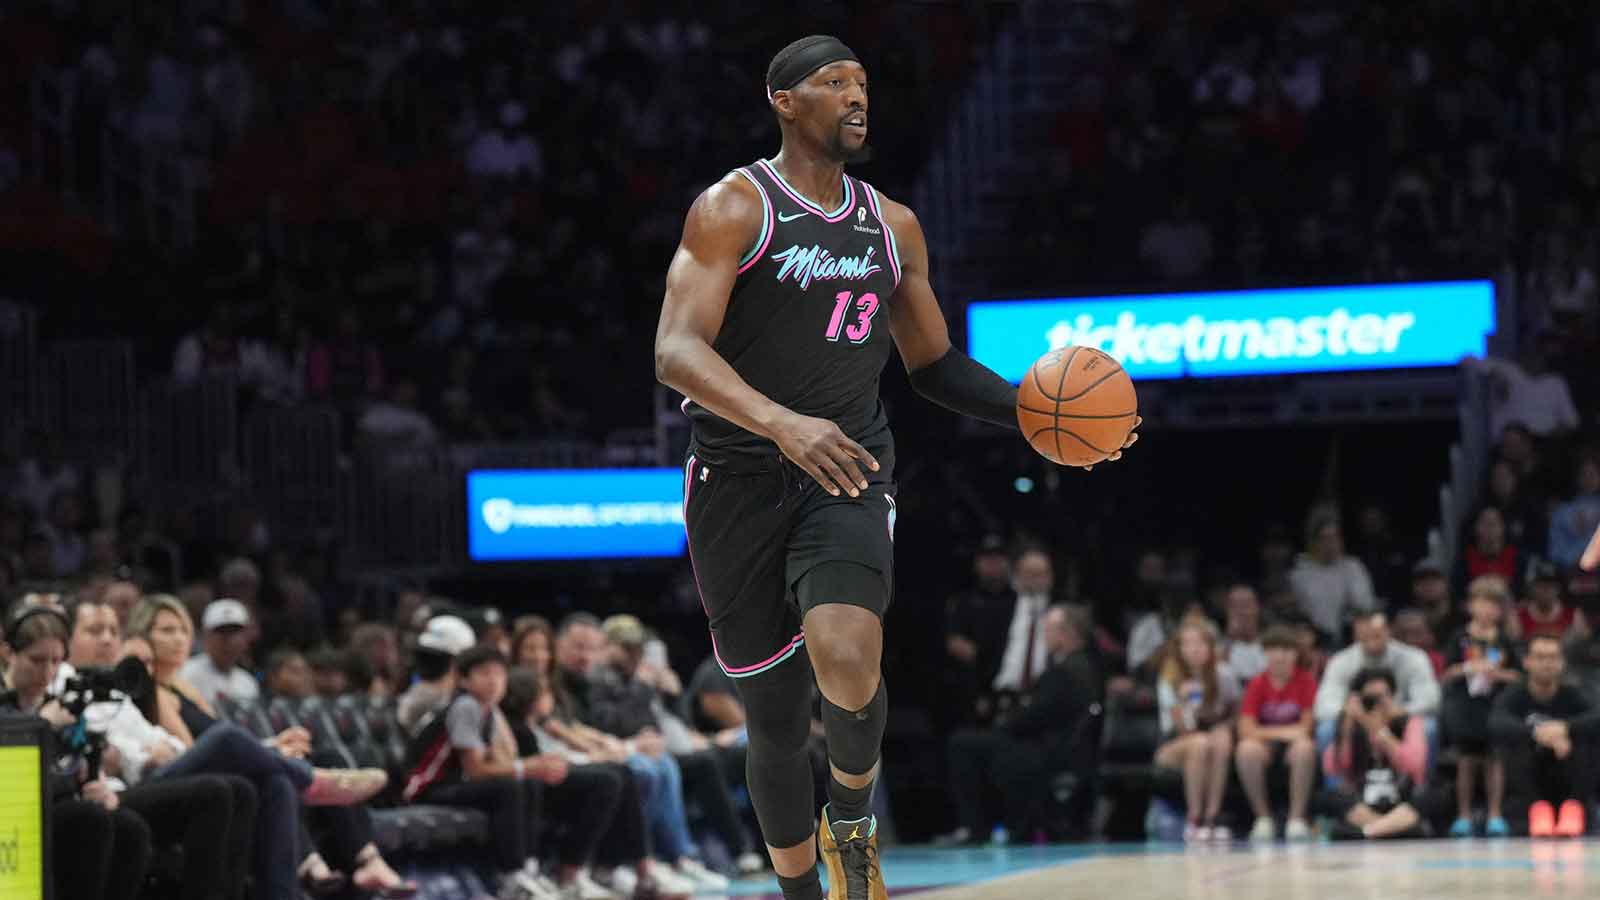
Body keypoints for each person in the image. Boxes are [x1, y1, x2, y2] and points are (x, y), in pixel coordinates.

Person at [653, 34, 1140, 900]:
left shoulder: (892, 224)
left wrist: (1033, 412)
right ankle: (802, 891)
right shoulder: (732, 207)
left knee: (847, 653)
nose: (855, 95)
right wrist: (778, 424)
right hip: (734, 478)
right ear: (784, 100)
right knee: (773, 720)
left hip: (846, 463)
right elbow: (675, 351)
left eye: (864, 82)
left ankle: (853, 822)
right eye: (833, 82)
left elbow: (932, 364)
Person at [61, 596, 258, 900]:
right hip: (113, 790)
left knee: (242, 790)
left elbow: (158, 738)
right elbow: (108, 748)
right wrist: (142, 755)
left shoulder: (112, 686)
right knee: (215, 784)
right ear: (67, 639)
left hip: (144, 780)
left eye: (114, 631)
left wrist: (156, 749)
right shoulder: (62, 682)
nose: (107, 639)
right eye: (95, 631)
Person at [401, 645, 585, 900]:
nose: (494, 681)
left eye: (500, 674)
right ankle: (509, 878)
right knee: (509, 786)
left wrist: (532, 768)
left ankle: (528, 870)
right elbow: (476, 770)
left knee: (528, 782)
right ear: (464, 679)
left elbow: (501, 761)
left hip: (453, 782)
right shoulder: (466, 706)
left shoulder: (487, 710)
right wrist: (527, 766)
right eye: (485, 674)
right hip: (425, 788)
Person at [2, 603, 153, 900]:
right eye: (37, 660)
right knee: (87, 819)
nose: (47, 672)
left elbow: (79, 765)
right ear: (9, 653)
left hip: (60, 803)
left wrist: (99, 788)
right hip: (15, 810)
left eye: (56, 662)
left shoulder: (61, 703)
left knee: (130, 826)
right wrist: (43, 725)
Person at [939, 605, 1102, 845]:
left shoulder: (1065, 672)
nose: (1045, 636)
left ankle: (973, 827)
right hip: (1056, 746)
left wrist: (1003, 726)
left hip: (1049, 751)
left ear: (1067, 633)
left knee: (962, 743)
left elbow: (1034, 717)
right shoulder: (1084, 666)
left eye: (1049, 630)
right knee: (980, 742)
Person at [1489, 634, 1600, 837]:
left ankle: (1573, 809)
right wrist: (1536, 732)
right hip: (1531, 777)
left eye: (1553, 657)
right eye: (1540, 657)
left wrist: (1566, 728)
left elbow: (1596, 716)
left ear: (1561, 662)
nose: (1547, 663)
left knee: (1589, 737)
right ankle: (1538, 810)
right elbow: (1496, 722)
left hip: (1570, 772)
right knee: (1509, 740)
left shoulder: (1575, 692)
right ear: (1527, 662)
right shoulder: (1515, 694)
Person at [1440, 576, 1522, 837]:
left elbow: (1519, 675)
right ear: (1471, 605)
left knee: (1494, 761)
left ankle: (1495, 815)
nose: (1486, 610)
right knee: (1467, 761)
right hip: (1466, 707)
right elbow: (1447, 672)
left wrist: (1498, 675)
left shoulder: (1505, 640)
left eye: (1493, 605)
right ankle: (1463, 816)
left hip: (1495, 706)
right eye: (1481, 603)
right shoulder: (1460, 637)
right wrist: (1468, 668)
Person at [1154, 618, 1240, 841]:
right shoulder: (1169, 679)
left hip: (1210, 735)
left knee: (1220, 740)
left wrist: (1224, 725)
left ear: (1211, 648)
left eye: (1200, 644)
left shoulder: (1224, 675)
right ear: (1179, 649)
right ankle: (1195, 817)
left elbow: (1237, 712)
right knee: (1200, 743)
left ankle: (1213, 816)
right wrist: (1185, 703)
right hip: (1174, 743)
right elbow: (1184, 730)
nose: (1194, 650)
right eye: (1188, 644)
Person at [1322, 668, 1433, 840]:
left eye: (1382, 697)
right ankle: (1389, 829)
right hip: (1363, 806)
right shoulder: (1352, 726)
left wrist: (1381, 733)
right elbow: (1335, 767)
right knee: (1332, 796)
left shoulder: (1408, 722)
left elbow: (1414, 766)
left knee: (1434, 793)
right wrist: (1348, 725)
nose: (1377, 704)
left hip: (1401, 803)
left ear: (1393, 696)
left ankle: (1369, 832)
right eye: (1370, 699)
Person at [1313, 611, 1440, 758]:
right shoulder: (1341, 661)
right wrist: (1350, 713)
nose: (1371, 641)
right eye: (1365, 635)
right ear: (1355, 634)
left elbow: (1431, 701)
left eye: (1376, 635)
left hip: (1399, 718)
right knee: (1326, 729)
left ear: (1388, 630)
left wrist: (1400, 711)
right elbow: (1323, 707)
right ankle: (1338, 781)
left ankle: (1421, 781)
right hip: (1356, 721)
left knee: (1428, 727)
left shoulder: (1414, 658)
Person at [1235, 625, 1318, 842]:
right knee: (1246, 750)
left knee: (1304, 747)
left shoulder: (1306, 681)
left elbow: (1306, 728)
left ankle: (1296, 819)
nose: (1280, 656)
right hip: (1267, 746)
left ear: (1295, 654)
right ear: (1265, 654)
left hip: (1292, 746)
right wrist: (1283, 733)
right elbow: (1245, 729)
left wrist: (1264, 732)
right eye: (1274, 650)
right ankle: (1263, 818)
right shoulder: (1257, 684)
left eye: (1286, 650)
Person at [1289, 514, 1377, 642]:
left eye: (1335, 538)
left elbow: (1365, 605)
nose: (1330, 544)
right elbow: (1299, 609)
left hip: (1349, 634)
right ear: (1314, 542)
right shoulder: (1301, 573)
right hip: (1313, 636)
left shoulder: (1353, 567)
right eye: (1325, 538)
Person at [179, 598, 261, 709]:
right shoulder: (184, 673)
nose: (230, 640)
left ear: (246, 637)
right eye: (221, 632)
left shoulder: (248, 683)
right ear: (205, 635)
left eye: (235, 632)